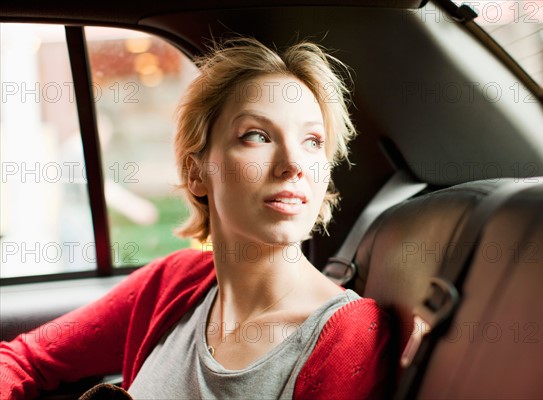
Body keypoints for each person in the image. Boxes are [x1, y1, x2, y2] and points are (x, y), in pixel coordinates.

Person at [0, 37, 392, 399]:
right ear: (196, 172)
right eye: (257, 135)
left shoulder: (347, 334)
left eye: (313, 141)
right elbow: (21, 358)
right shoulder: (172, 282)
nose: (293, 164)